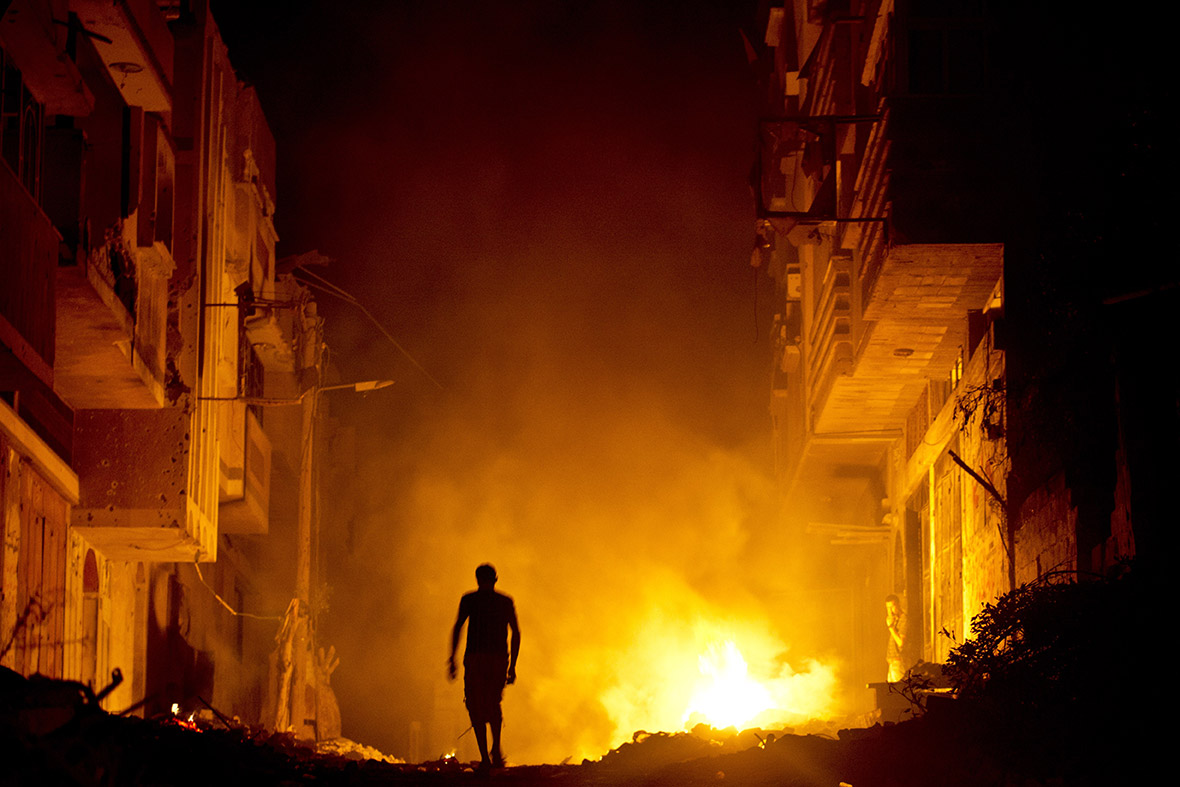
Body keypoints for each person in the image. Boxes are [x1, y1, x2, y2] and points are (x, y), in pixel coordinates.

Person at [448, 564, 520, 770]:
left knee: (475, 706)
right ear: (496, 579)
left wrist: (452, 659)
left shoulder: (469, 600)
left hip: (475, 659)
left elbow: (458, 627)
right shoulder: (505, 602)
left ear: (477, 579)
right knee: (493, 703)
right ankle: (495, 751)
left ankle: (486, 758)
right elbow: (516, 633)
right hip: (498, 659)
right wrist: (512, 665)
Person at [885, 594, 907, 682]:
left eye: (892, 606)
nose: (890, 611)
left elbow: (901, 643)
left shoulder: (904, 619)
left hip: (899, 663)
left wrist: (890, 627)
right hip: (892, 663)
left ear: (898, 604)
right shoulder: (895, 620)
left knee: (898, 692)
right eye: (888, 608)